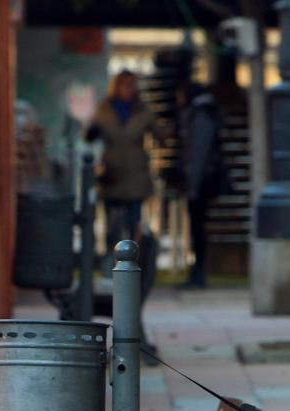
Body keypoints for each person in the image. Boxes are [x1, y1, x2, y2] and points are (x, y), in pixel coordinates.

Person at [85, 70, 165, 272]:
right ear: (117, 86)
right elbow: (88, 134)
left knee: (133, 224)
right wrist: (91, 133)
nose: (130, 89)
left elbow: (160, 135)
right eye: (126, 84)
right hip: (111, 174)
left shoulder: (143, 110)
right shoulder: (105, 110)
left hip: (135, 176)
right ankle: (109, 265)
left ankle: (135, 265)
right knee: (111, 226)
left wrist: (163, 131)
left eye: (133, 84)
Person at [177, 82, 226, 289]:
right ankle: (197, 271)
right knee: (198, 228)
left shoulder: (200, 116)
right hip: (201, 181)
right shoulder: (203, 113)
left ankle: (198, 273)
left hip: (200, 183)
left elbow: (199, 154)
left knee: (198, 229)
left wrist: (193, 186)